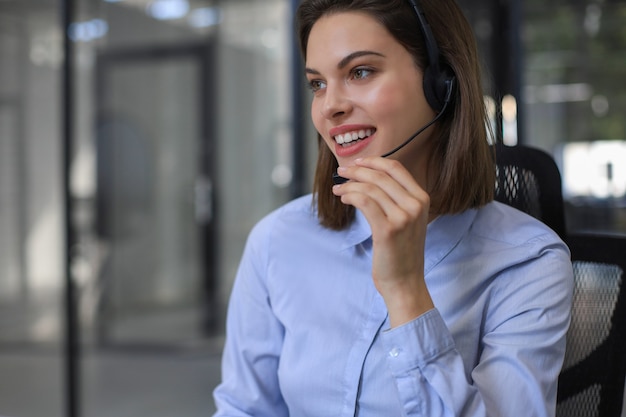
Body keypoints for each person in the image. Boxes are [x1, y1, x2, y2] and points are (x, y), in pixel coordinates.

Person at [212, 0, 573, 415]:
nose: (330, 106)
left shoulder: (527, 260)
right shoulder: (277, 241)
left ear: (442, 82)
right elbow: (244, 407)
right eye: (317, 84)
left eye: (360, 72)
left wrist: (405, 291)